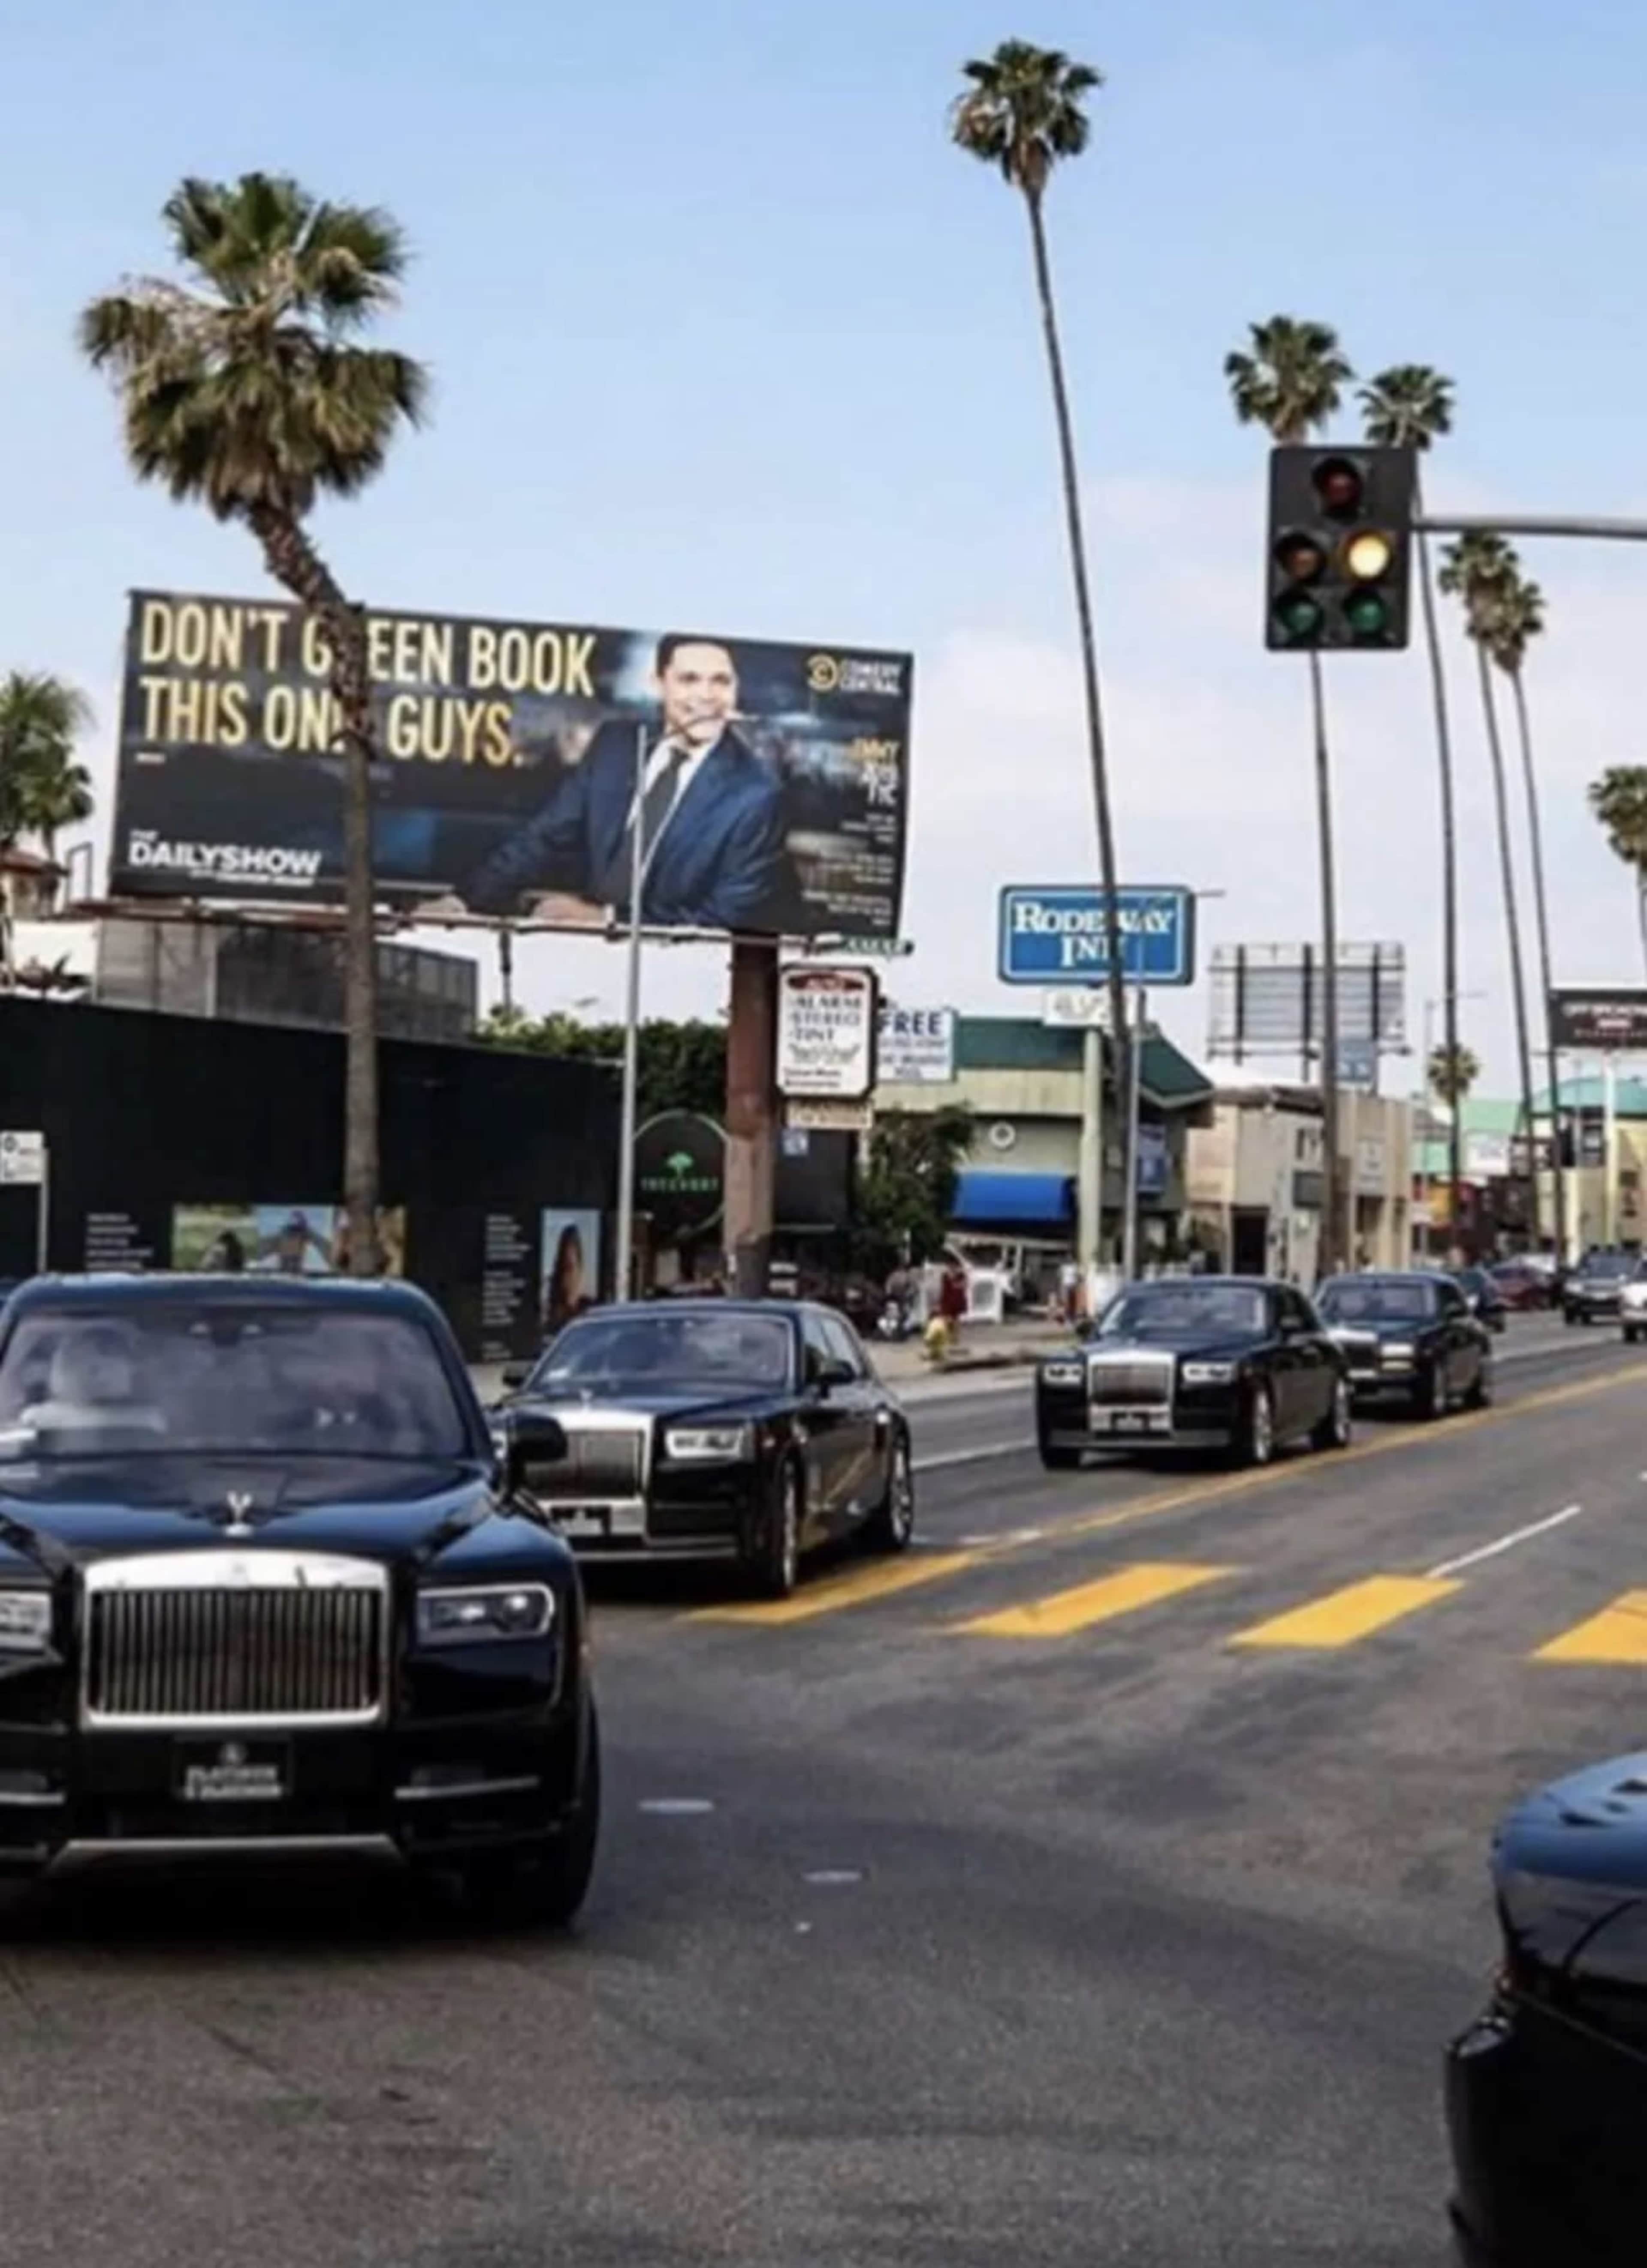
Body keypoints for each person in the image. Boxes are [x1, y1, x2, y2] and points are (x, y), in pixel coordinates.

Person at [460, 635, 791, 932]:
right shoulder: (615, 745)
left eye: (721, 681)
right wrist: (466, 902)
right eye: (689, 680)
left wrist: (605, 920)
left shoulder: (756, 794)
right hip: (584, 952)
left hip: (677, 970)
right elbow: (544, 839)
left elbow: (724, 920)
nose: (706, 696)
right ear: (659, 683)